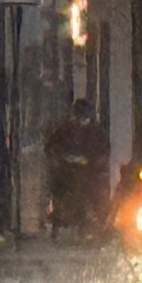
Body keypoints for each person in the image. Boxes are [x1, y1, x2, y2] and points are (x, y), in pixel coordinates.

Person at [44, 99, 113, 236]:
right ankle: (63, 214)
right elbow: (51, 148)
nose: (81, 122)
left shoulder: (96, 133)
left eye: (84, 118)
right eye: (79, 118)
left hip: (90, 173)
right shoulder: (65, 131)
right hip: (67, 173)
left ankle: (91, 217)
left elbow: (103, 153)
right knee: (62, 188)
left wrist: (90, 162)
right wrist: (64, 158)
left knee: (93, 189)